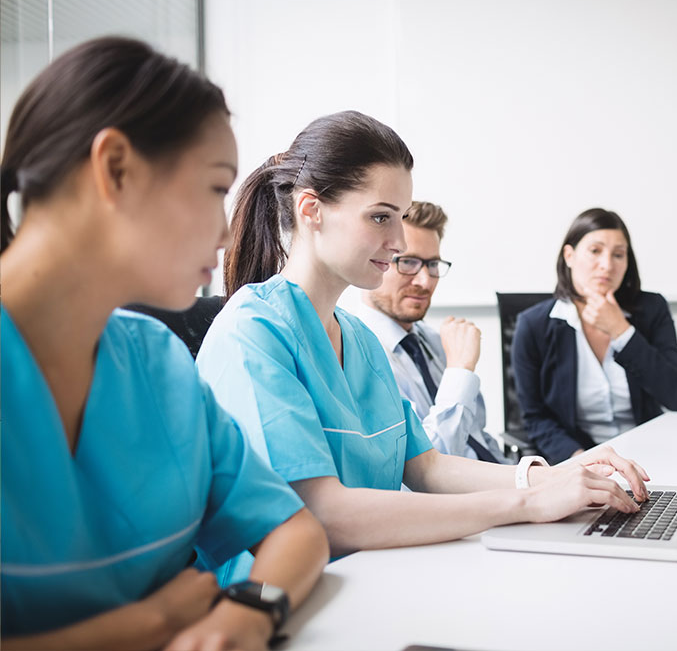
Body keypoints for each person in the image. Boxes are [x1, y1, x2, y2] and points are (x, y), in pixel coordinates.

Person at [196, 112, 651, 559]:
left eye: (401, 217)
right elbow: (323, 514)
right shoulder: (252, 333)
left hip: (375, 573)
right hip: (277, 604)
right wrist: (529, 503)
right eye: (380, 218)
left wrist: (556, 477)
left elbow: (427, 467)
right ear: (311, 210)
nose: (397, 242)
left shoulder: (358, 340)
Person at [0, 37, 328, 650]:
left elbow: (295, 530)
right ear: (116, 169)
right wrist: (144, 625)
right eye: (213, 189)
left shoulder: (158, 363)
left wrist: (247, 611)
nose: (227, 235)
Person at [511, 207, 677, 463]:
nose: (607, 265)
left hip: (651, 456)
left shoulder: (652, 310)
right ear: (569, 255)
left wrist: (622, 331)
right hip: (580, 461)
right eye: (595, 251)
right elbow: (535, 418)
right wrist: (582, 461)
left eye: (618, 255)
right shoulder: (533, 325)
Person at [357, 200, 507, 463]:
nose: (425, 282)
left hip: (498, 483)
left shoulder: (437, 342)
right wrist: (460, 371)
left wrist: (528, 476)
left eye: (433, 265)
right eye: (408, 262)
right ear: (377, 261)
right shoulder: (359, 353)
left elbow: (478, 438)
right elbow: (426, 472)